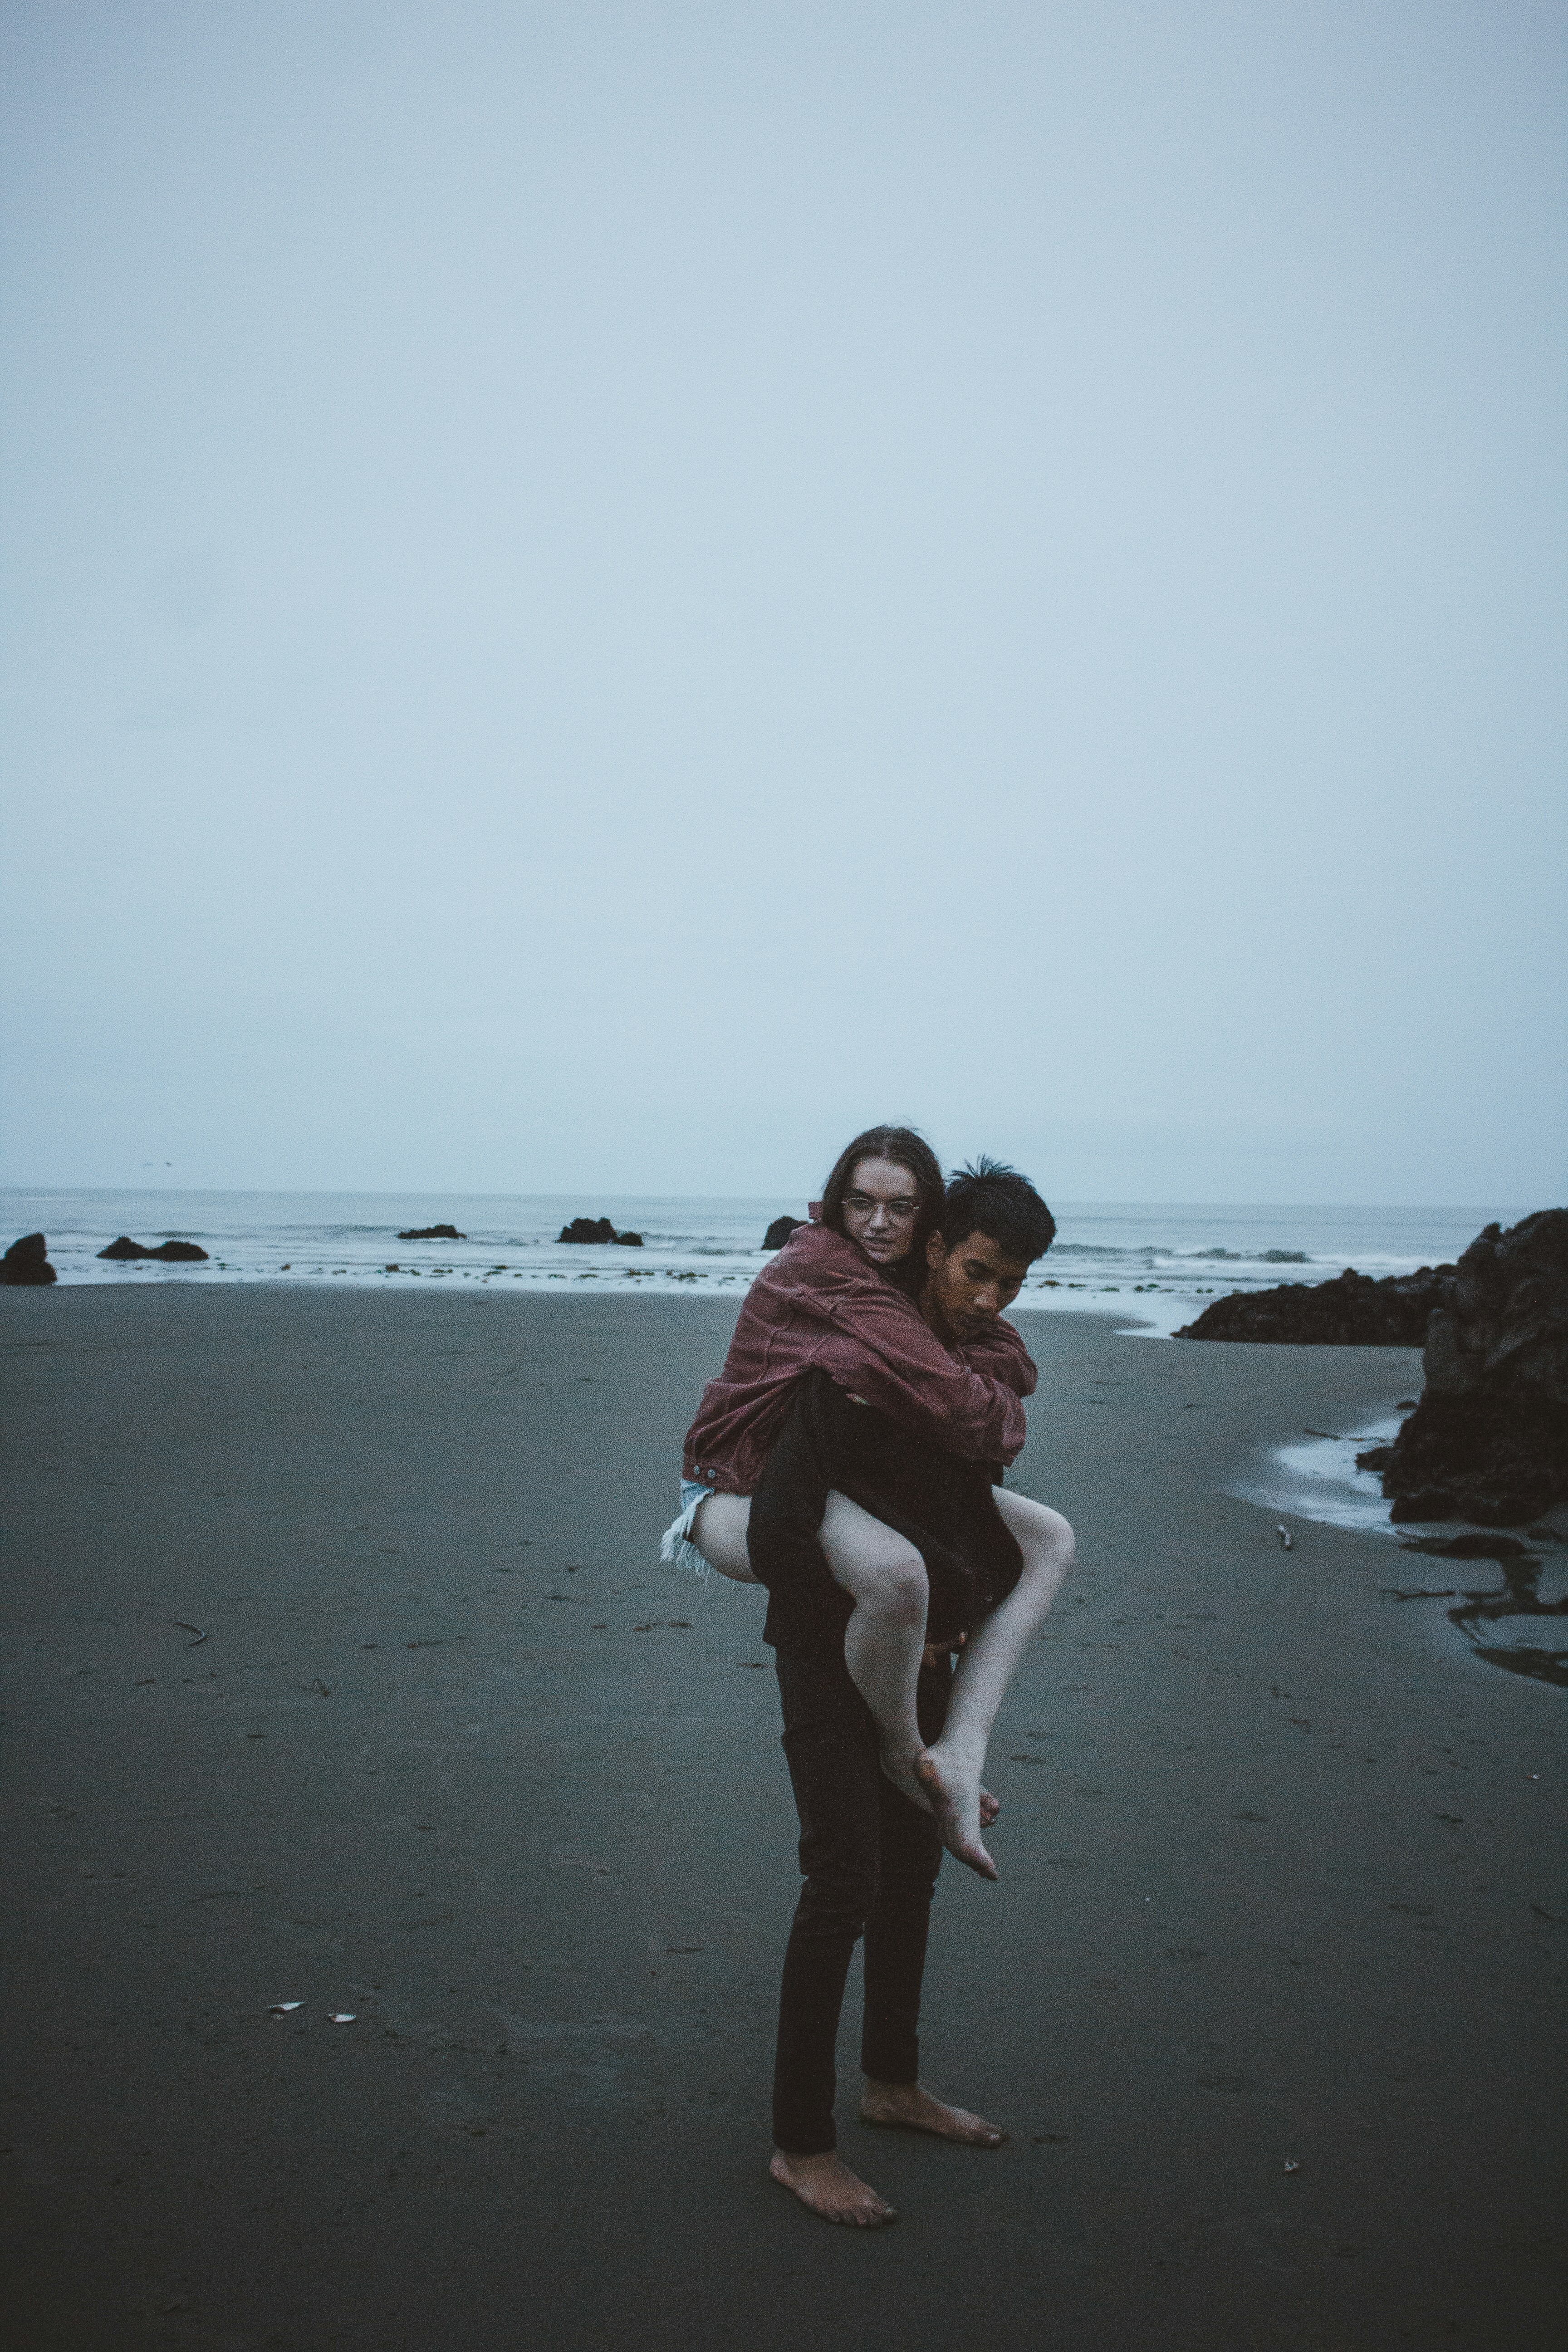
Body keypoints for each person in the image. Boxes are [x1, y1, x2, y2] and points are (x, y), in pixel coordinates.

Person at [667, 1146, 1074, 2226]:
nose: (985, 1296)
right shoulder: (849, 1358)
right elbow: (793, 1530)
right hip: (830, 1648)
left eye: (1006, 1284)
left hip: (918, 1647)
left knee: (911, 1873)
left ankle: (893, 2083)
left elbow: (964, 1509)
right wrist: (854, 1645)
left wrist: (942, 1635)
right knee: (842, 1881)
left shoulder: (963, 1351)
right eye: (972, 1270)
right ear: (937, 1249)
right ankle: (801, 2148)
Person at [665, 1128, 1047, 1844]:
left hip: (823, 1484)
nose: (878, 1223)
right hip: (736, 1489)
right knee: (895, 1575)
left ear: (927, 1225)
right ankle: (906, 1754)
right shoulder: (825, 1266)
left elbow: (1008, 1358)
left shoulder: (906, 1280)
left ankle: (964, 1746)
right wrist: (988, 1405)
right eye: (860, 1202)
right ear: (837, 1202)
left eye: (900, 1208)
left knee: (1051, 1540)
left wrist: (980, 1388)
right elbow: (960, 1402)